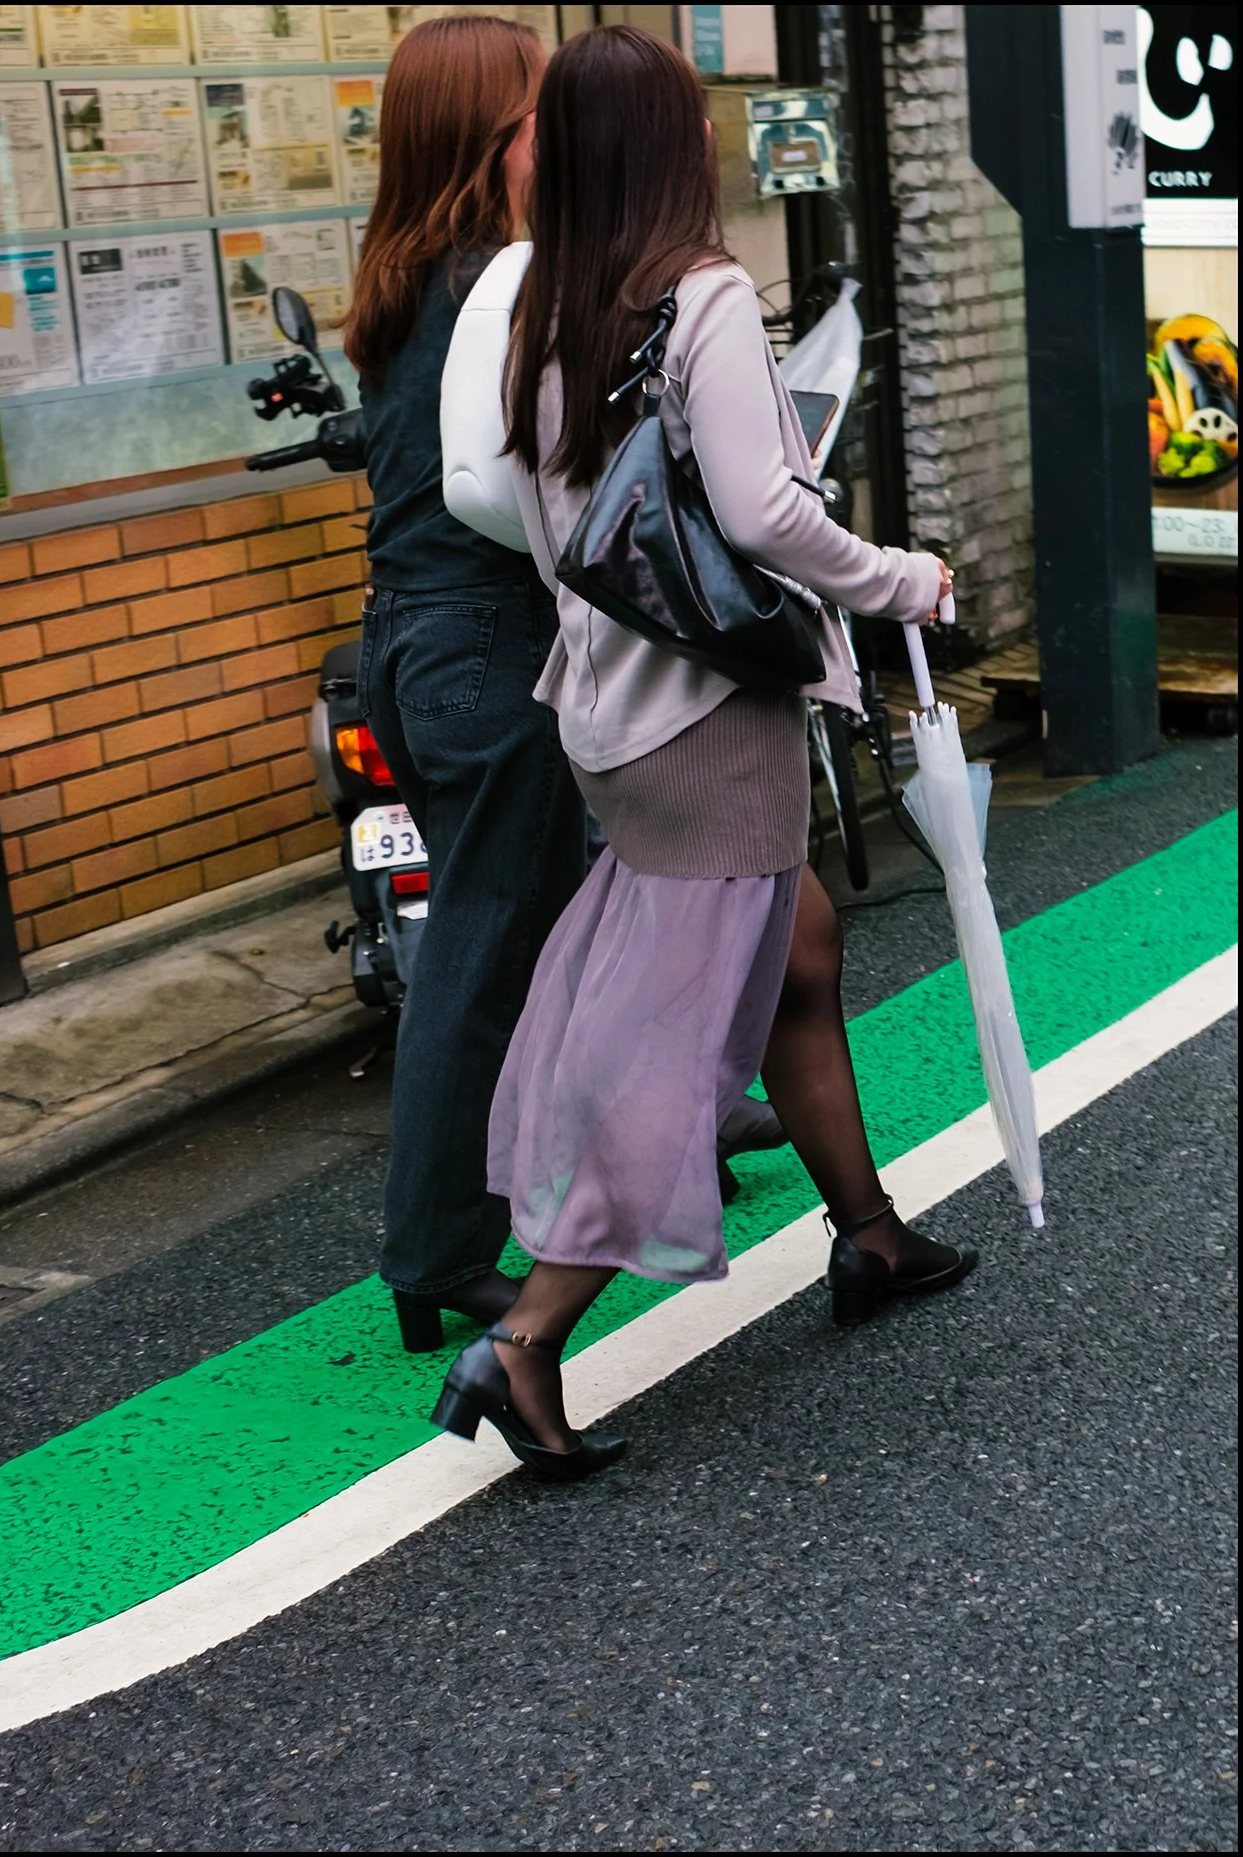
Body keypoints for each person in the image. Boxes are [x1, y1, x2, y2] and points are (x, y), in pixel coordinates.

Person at [430, 25, 977, 1480]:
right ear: (674, 146)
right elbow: (764, 513)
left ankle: (868, 1237)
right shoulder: (704, 297)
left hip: (609, 708)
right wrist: (901, 578)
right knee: (677, 1034)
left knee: (796, 953)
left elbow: (549, 526)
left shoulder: (545, 302)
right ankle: (529, 1338)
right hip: (708, 715)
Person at [344, 16, 586, 1354]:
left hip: (411, 639)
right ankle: (436, 1249)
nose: (557, 131)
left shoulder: (399, 275)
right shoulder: (492, 283)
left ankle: (648, 1132)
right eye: (540, 108)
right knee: (482, 953)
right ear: (497, 129)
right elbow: (519, 485)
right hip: (490, 642)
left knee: (538, 927)